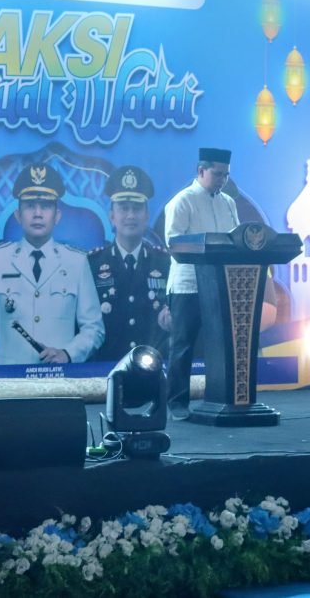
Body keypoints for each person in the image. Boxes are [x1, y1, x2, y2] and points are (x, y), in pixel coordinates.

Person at [0, 163, 104, 365]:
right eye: (30, 206)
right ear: (18, 215)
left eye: (45, 206)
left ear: (57, 216)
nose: (38, 213)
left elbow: (94, 328)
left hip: (59, 378)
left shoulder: (76, 262)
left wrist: (68, 354)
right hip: (9, 379)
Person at [163, 147, 239, 419]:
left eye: (226, 175)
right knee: (183, 346)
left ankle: (217, 399)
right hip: (188, 286)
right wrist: (206, 250)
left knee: (220, 346)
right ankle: (176, 403)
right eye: (217, 174)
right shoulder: (182, 201)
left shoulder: (228, 203)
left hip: (220, 286)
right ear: (201, 171)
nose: (222, 180)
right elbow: (173, 242)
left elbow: (235, 241)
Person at [87, 165, 171, 362]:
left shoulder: (165, 262)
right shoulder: (92, 264)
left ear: (147, 215)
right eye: (124, 208)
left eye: (137, 208)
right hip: (105, 369)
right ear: (112, 216)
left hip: (154, 367)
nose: (131, 215)